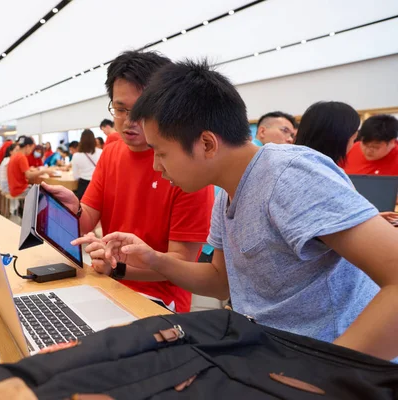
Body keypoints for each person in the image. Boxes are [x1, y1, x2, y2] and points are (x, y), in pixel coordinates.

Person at [98, 59, 398, 361]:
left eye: (161, 153)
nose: (156, 166)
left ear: (206, 143)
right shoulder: (228, 192)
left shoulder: (289, 176)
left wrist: (325, 378)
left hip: (324, 363)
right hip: (266, 353)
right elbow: (218, 280)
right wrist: (155, 259)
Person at [42, 51, 214, 313]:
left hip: (158, 303)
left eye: (141, 111)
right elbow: (86, 221)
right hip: (107, 286)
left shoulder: (188, 166)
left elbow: (182, 265)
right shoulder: (112, 151)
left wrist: (119, 269)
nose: (128, 122)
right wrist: (72, 209)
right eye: (120, 109)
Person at [295, 101, 398, 225]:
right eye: (364, 144)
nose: (368, 150)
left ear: (392, 142)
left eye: (375, 147)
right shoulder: (349, 148)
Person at [71, 129, 101, 199]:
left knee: (84, 208)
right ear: (94, 140)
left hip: (83, 186)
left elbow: (75, 176)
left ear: (81, 141)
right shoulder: (101, 152)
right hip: (98, 185)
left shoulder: (76, 155)